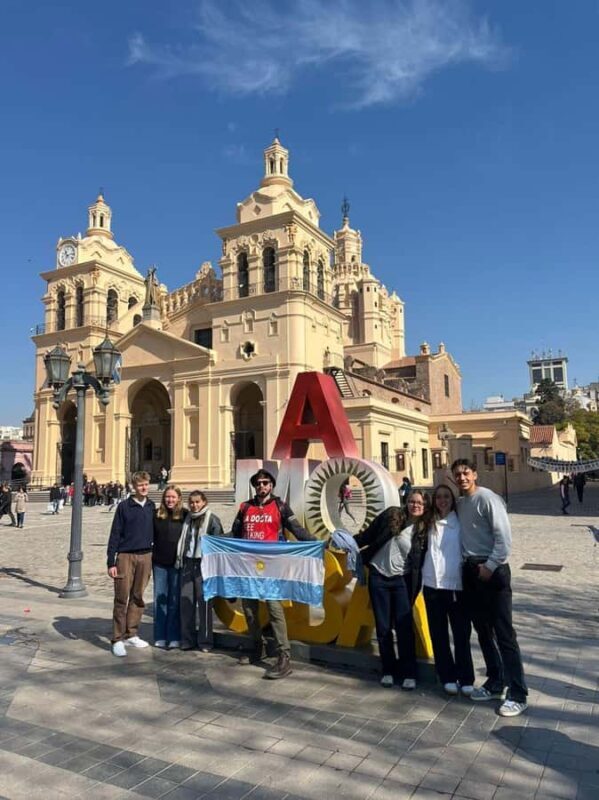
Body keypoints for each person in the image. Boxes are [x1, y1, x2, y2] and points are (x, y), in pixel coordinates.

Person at [452, 458, 528, 717]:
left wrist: (491, 565)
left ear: (474, 474)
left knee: (504, 633)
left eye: (466, 473)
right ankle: (496, 681)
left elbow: (503, 537)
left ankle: (518, 693)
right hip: (471, 571)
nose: (462, 478)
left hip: (492, 571)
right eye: (457, 474)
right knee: (483, 631)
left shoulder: (487, 498)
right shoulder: (461, 503)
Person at [231, 469, 315, 679]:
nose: (261, 486)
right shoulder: (245, 507)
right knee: (249, 610)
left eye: (265, 482)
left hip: (272, 567)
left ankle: (284, 656)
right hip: (248, 567)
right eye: (258, 483)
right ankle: (257, 647)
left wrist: (317, 542)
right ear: (254, 486)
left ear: (271, 485)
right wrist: (212, 540)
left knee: (274, 609)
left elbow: (297, 530)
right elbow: (234, 534)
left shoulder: (280, 506)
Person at [354, 490, 430, 690]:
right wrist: (348, 542)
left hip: (401, 581)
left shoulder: (424, 532)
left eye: (420, 503)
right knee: (383, 627)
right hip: (378, 577)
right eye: (412, 501)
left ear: (425, 507)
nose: (415, 505)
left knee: (404, 628)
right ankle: (388, 670)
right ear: (406, 502)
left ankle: (409, 672)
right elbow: (368, 535)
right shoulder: (392, 515)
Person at [422, 484, 474, 696]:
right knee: (438, 634)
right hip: (432, 585)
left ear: (452, 500)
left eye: (446, 497)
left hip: (455, 585)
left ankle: (466, 676)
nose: (442, 500)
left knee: (461, 633)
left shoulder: (459, 522)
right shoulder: (428, 523)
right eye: (439, 497)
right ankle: (447, 676)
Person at [106, 471, 155, 657]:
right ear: (134, 487)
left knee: (138, 597)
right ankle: (117, 638)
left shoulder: (151, 506)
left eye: (146, 484)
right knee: (121, 598)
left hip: (146, 556)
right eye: (140, 485)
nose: (144, 487)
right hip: (125, 556)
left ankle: (131, 634)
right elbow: (115, 534)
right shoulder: (124, 507)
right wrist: (111, 561)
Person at [176, 490, 225, 651]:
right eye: (191, 502)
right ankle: (187, 639)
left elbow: (219, 543)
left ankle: (205, 641)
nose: (194, 505)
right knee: (186, 603)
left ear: (204, 502)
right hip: (187, 563)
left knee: (204, 604)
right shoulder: (187, 519)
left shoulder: (212, 519)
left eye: (197, 502)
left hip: (204, 565)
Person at [152, 485, 186, 649]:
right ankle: (160, 635)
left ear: (179, 498)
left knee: (174, 600)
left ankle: (173, 636)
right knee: (160, 600)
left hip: (177, 564)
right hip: (159, 563)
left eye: (173, 497)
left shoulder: (185, 515)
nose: (170, 500)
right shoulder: (156, 515)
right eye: (167, 497)